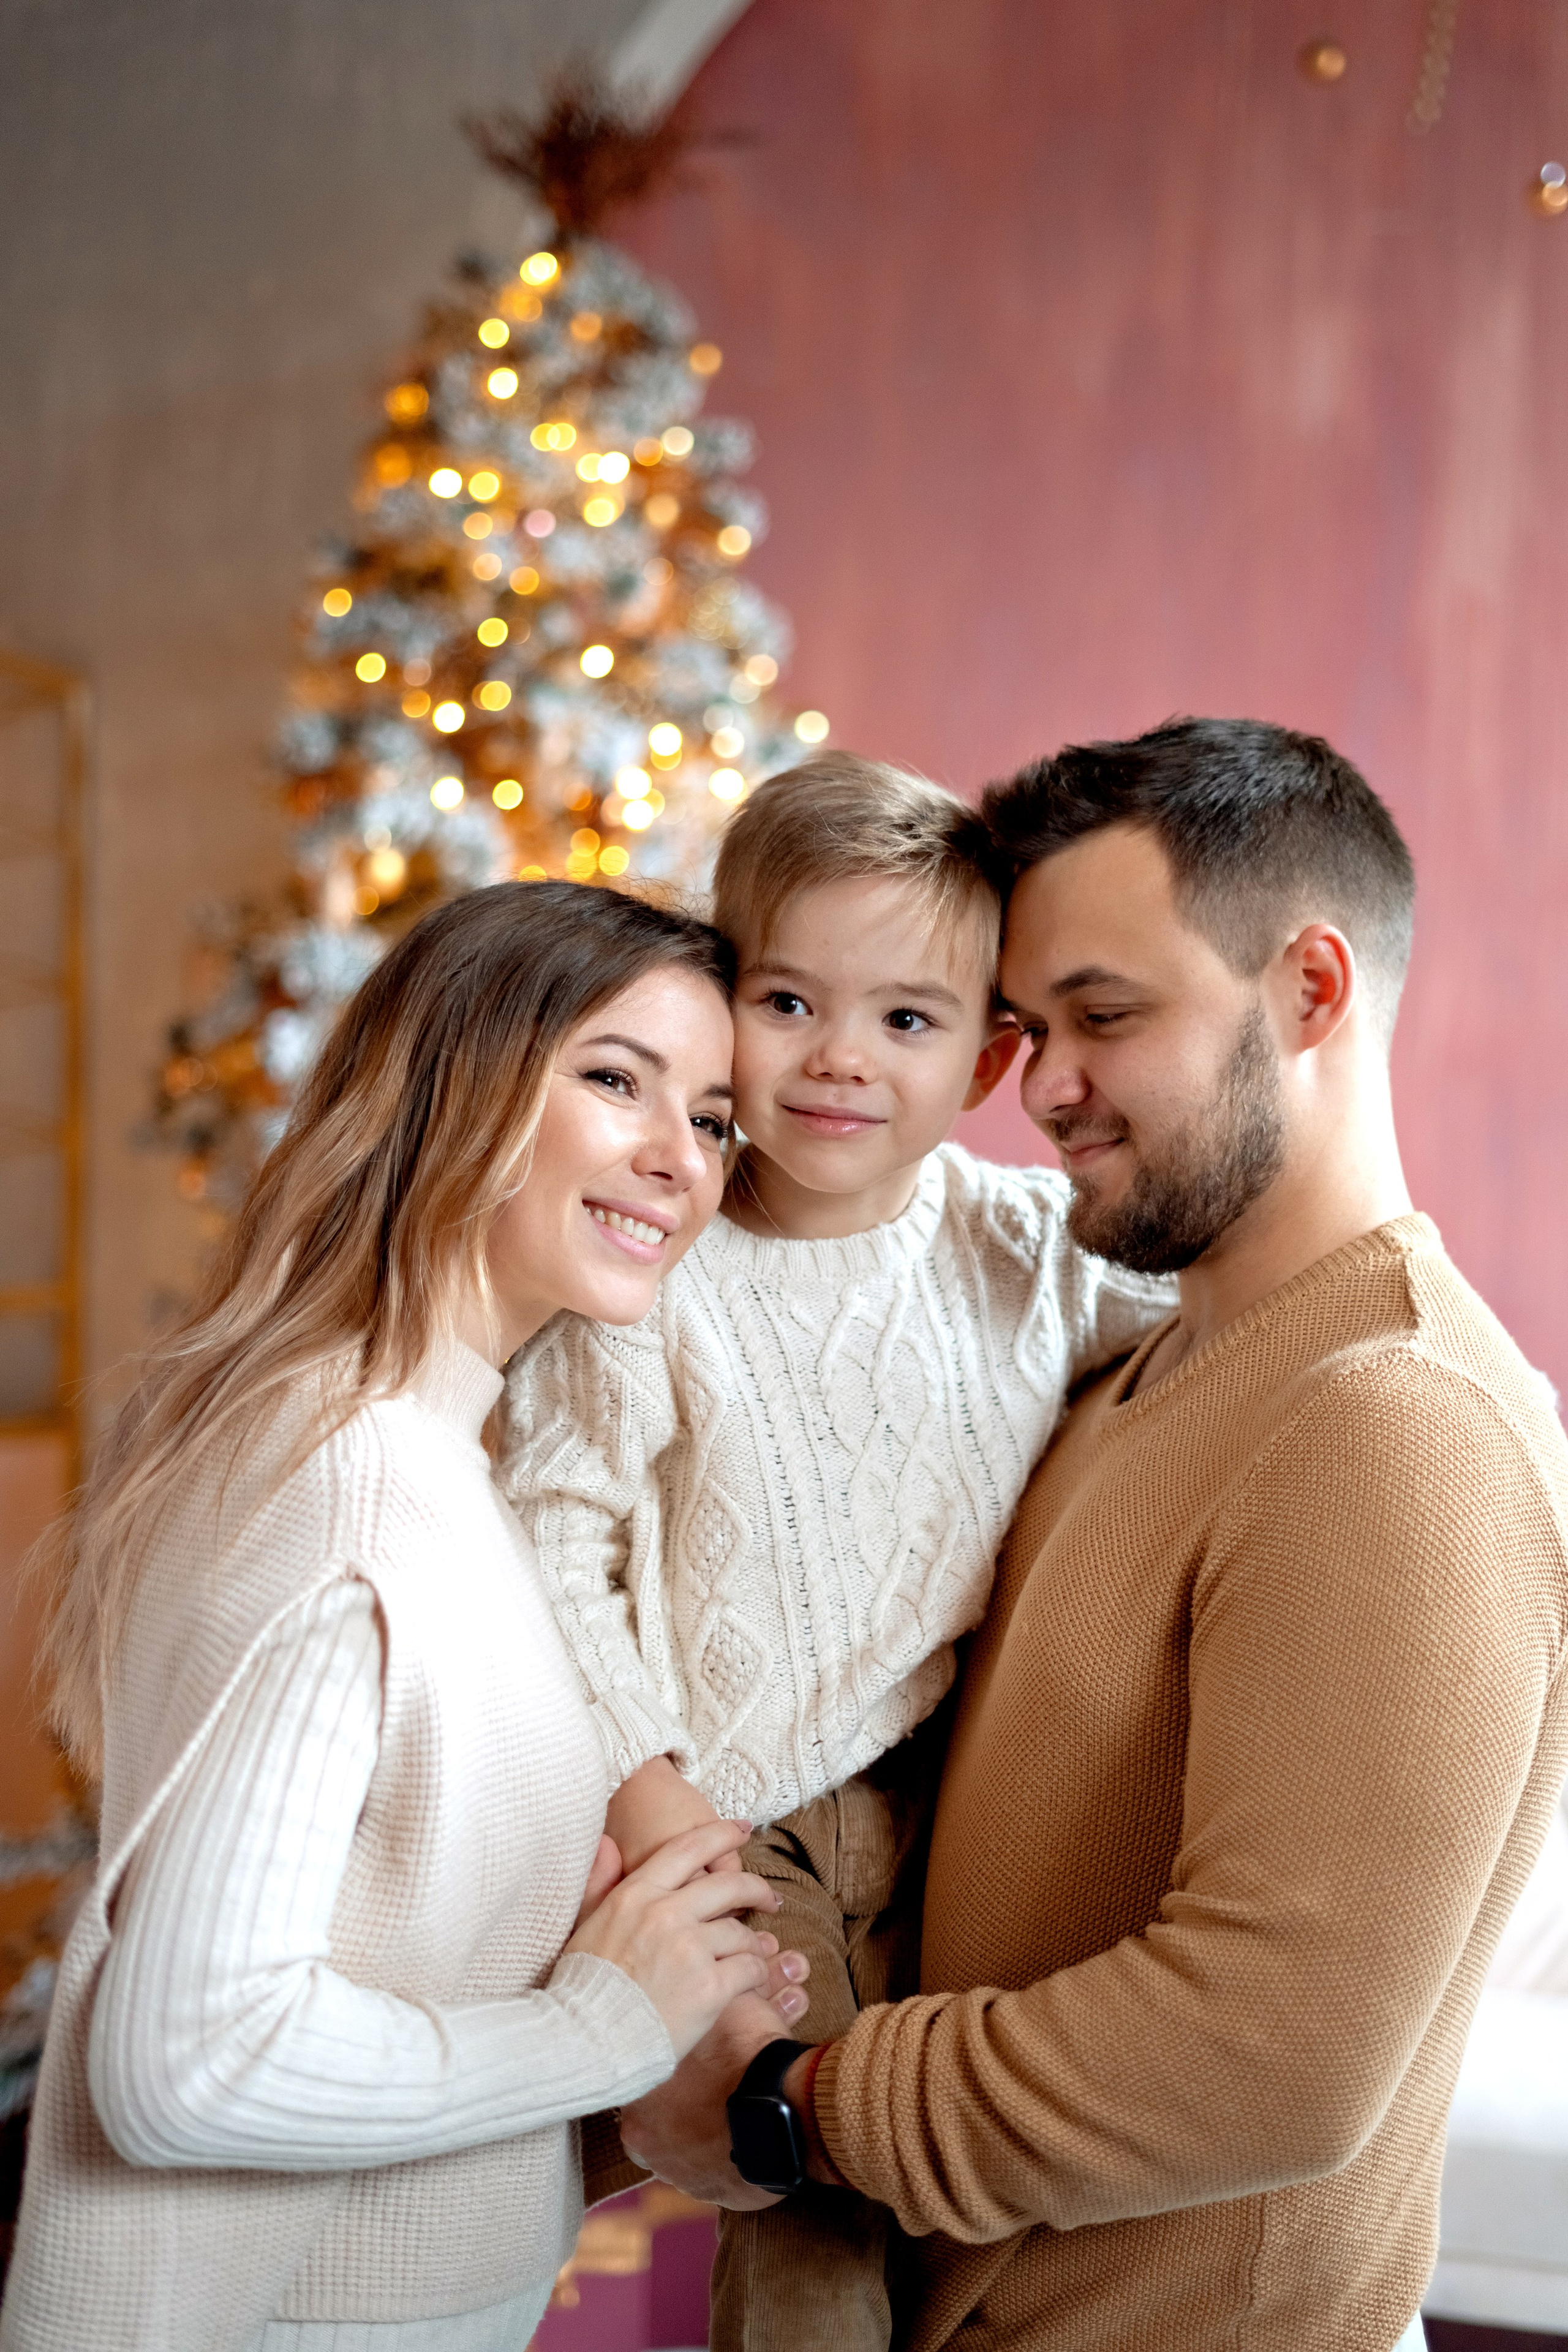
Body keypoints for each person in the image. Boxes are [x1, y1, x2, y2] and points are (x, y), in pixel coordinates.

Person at [620, 719, 1568, 2352]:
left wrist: (793, 2108)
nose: (1040, 1087)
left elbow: (1272, 2054)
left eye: (1105, 1020)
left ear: (1313, 995)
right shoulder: (1132, 1363)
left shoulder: (1395, 1423)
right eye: (1027, 1025)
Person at [1, 881, 810, 2352]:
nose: (676, 1161)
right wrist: (597, 2025)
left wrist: (647, 2024)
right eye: (615, 1079)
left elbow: (380, 1983)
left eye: (708, 1118)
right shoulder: (353, 1500)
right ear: (458, 1084)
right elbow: (186, 2065)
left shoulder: (427, 1459)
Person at [497, 755, 1174, 2351]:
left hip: (954, 1790)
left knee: (969, 2180)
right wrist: (661, 1814)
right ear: (720, 998)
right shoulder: (658, 1259)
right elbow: (551, 1532)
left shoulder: (1023, 1249)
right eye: (790, 1002)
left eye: (908, 1021)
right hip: (729, 1811)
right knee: (799, 2192)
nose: (840, 1062)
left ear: (995, 1056)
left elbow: (1256, 1321)